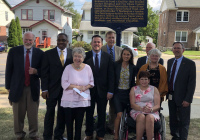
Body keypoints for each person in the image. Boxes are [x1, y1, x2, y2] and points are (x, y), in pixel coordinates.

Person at [5, 32, 44, 140]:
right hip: (17, 87)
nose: (28, 42)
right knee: (18, 114)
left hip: (33, 88)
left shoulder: (39, 53)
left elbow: (44, 71)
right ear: (23, 39)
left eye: (30, 40)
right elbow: (9, 70)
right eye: (26, 39)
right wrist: (8, 86)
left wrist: (36, 71)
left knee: (33, 114)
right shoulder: (13, 51)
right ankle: (19, 134)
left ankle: (33, 134)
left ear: (34, 40)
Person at [41, 33, 73, 140]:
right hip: (51, 90)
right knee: (50, 113)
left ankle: (58, 135)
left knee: (62, 114)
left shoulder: (72, 54)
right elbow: (44, 73)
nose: (61, 42)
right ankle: (47, 136)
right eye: (59, 40)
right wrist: (44, 89)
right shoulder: (48, 54)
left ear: (67, 42)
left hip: (66, 91)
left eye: (63, 40)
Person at [84, 35, 114, 140]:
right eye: (94, 42)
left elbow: (111, 75)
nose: (96, 44)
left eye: (98, 42)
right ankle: (89, 134)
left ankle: (100, 134)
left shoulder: (107, 57)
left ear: (101, 44)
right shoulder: (85, 56)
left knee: (102, 114)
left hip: (103, 91)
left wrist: (110, 91)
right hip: (88, 91)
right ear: (91, 43)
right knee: (89, 113)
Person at [61, 47, 94, 140]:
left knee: (79, 124)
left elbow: (91, 82)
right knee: (69, 123)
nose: (77, 58)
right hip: (69, 100)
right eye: (75, 56)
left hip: (82, 100)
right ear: (73, 57)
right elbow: (64, 83)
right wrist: (77, 87)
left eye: (80, 56)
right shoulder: (68, 68)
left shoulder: (87, 68)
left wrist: (85, 87)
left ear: (83, 58)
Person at [167, 42, 196, 140]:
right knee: (173, 119)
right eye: (174, 48)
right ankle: (175, 137)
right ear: (172, 50)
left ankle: (183, 138)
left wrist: (188, 99)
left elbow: (192, 84)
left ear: (183, 50)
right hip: (171, 96)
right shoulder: (170, 62)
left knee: (184, 121)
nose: (176, 50)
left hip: (183, 98)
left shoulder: (190, 63)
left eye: (178, 48)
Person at [101, 31, 123, 134]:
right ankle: (101, 126)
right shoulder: (101, 49)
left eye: (113, 37)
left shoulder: (120, 50)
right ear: (106, 39)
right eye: (109, 37)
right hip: (104, 83)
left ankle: (111, 127)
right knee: (102, 106)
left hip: (117, 83)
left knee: (113, 107)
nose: (111, 39)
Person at [113, 48, 137, 140]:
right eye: (124, 54)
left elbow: (133, 82)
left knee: (127, 115)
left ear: (131, 56)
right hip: (117, 93)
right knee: (119, 115)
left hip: (128, 94)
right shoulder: (116, 65)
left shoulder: (133, 67)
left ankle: (124, 135)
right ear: (121, 55)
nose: (126, 56)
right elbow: (112, 79)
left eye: (128, 55)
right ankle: (116, 135)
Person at [130, 71, 160, 140]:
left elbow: (157, 105)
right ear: (139, 80)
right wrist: (141, 109)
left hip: (151, 111)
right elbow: (132, 104)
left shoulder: (154, 89)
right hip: (137, 110)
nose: (144, 81)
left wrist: (151, 109)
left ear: (149, 80)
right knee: (141, 117)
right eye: (142, 79)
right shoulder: (134, 89)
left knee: (149, 117)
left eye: (146, 79)